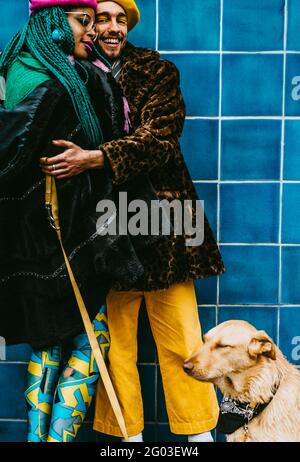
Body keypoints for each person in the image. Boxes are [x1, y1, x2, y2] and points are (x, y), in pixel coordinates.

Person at [40, 0, 226, 443]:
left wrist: (97, 158)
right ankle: (128, 437)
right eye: (101, 18)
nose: (112, 27)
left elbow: (160, 138)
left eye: (121, 20)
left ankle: (198, 435)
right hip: (104, 225)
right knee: (116, 343)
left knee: (182, 337)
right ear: (86, 24)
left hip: (164, 222)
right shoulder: (71, 73)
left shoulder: (157, 70)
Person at [0, 0, 150, 443]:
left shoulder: (17, 67)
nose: (91, 31)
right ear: (52, 22)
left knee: (50, 343)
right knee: (90, 341)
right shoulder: (59, 82)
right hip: (62, 239)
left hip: (33, 241)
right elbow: (11, 157)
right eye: (82, 21)